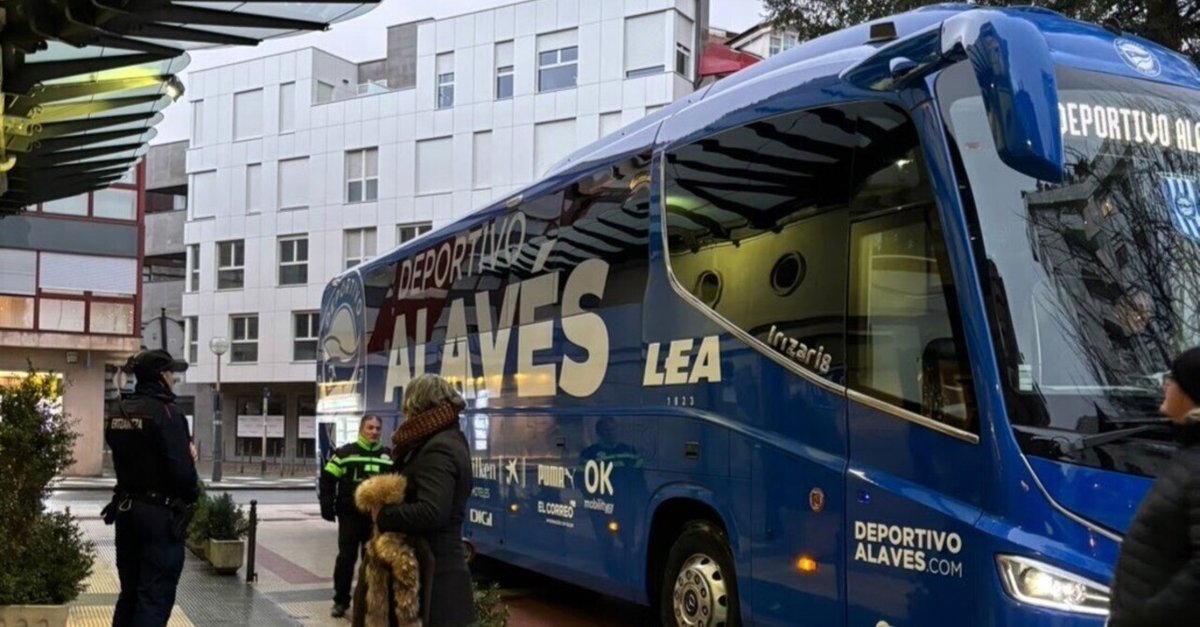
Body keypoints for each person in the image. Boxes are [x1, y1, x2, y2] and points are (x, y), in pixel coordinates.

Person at [364, 374, 476, 627]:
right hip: (435, 575)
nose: (405, 414)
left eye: (407, 407)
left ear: (417, 405)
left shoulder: (439, 447)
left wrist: (383, 515)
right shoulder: (442, 438)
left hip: (436, 580)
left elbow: (432, 511)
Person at [103, 349, 200, 627]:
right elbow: (182, 474)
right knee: (154, 598)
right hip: (159, 517)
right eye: (171, 373)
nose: (174, 378)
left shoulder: (119, 410)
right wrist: (191, 493)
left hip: (126, 510)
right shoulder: (168, 412)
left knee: (130, 595)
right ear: (161, 376)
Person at [1109, 347, 1200, 626]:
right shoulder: (1188, 451)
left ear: (1190, 394)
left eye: (1173, 378)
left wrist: (1151, 616)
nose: (1165, 383)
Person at [319, 414, 393, 618]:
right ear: (361, 429)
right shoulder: (345, 453)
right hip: (350, 516)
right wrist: (327, 504)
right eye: (370, 428)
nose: (374, 432)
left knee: (372, 562)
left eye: (378, 428)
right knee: (346, 559)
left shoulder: (388, 457)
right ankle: (340, 601)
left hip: (376, 519)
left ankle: (368, 603)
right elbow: (327, 479)